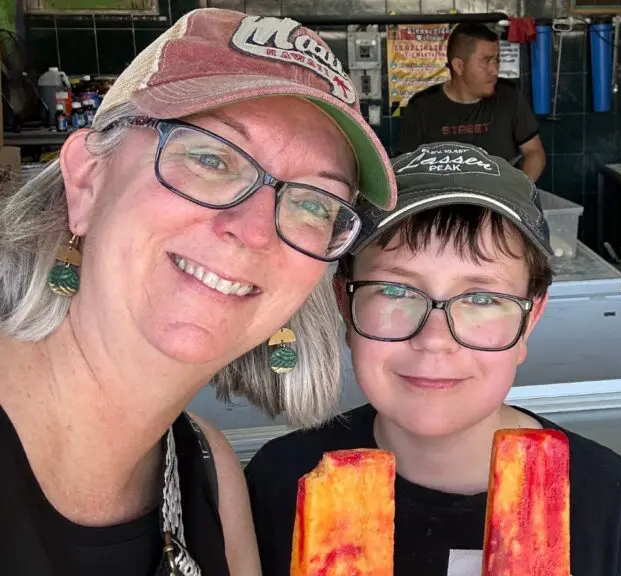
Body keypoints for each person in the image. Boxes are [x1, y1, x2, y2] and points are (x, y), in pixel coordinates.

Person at [0, 8, 396, 575]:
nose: (255, 230)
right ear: (87, 179)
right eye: (211, 158)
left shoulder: (210, 472)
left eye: (314, 201)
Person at [246, 142, 621, 576]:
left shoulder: (617, 510)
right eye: (395, 291)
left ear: (530, 321)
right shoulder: (275, 485)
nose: (435, 340)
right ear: (346, 304)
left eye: (481, 297)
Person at [396, 23, 546, 182]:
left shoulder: (508, 96)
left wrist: (517, 191)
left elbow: (534, 152)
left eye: (496, 60)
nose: (495, 70)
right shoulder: (422, 107)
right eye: (487, 61)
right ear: (459, 66)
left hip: (501, 202)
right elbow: (406, 169)